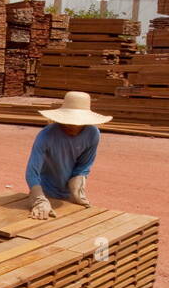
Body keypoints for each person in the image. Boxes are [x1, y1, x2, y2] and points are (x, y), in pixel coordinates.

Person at [24, 91, 112, 220]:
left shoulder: (93, 134)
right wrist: (39, 199)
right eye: (67, 121)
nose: (69, 125)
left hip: (69, 194)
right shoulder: (46, 136)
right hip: (45, 192)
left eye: (75, 123)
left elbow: (84, 165)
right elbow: (32, 172)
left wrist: (77, 188)